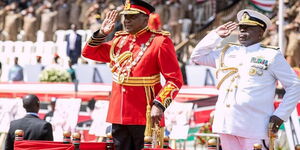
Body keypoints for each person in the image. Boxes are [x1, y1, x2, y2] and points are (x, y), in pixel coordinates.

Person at [190, 9, 300, 150]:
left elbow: (295, 85)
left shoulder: (271, 55)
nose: (242, 32)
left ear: (260, 33)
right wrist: (215, 36)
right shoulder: (227, 52)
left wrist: (280, 116)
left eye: (248, 28)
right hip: (227, 124)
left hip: (254, 126)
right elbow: (197, 57)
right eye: (241, 28)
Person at [81, 0, 183, 149]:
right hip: (118, 114)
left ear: (145, 18)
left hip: (144, 114)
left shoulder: (160, 42)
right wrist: (102, 33)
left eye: (132, 17)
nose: (126, 20)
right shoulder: (119, 41)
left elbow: (174, 79)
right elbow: (88, 52)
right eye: (125, 16)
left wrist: (159, 104)